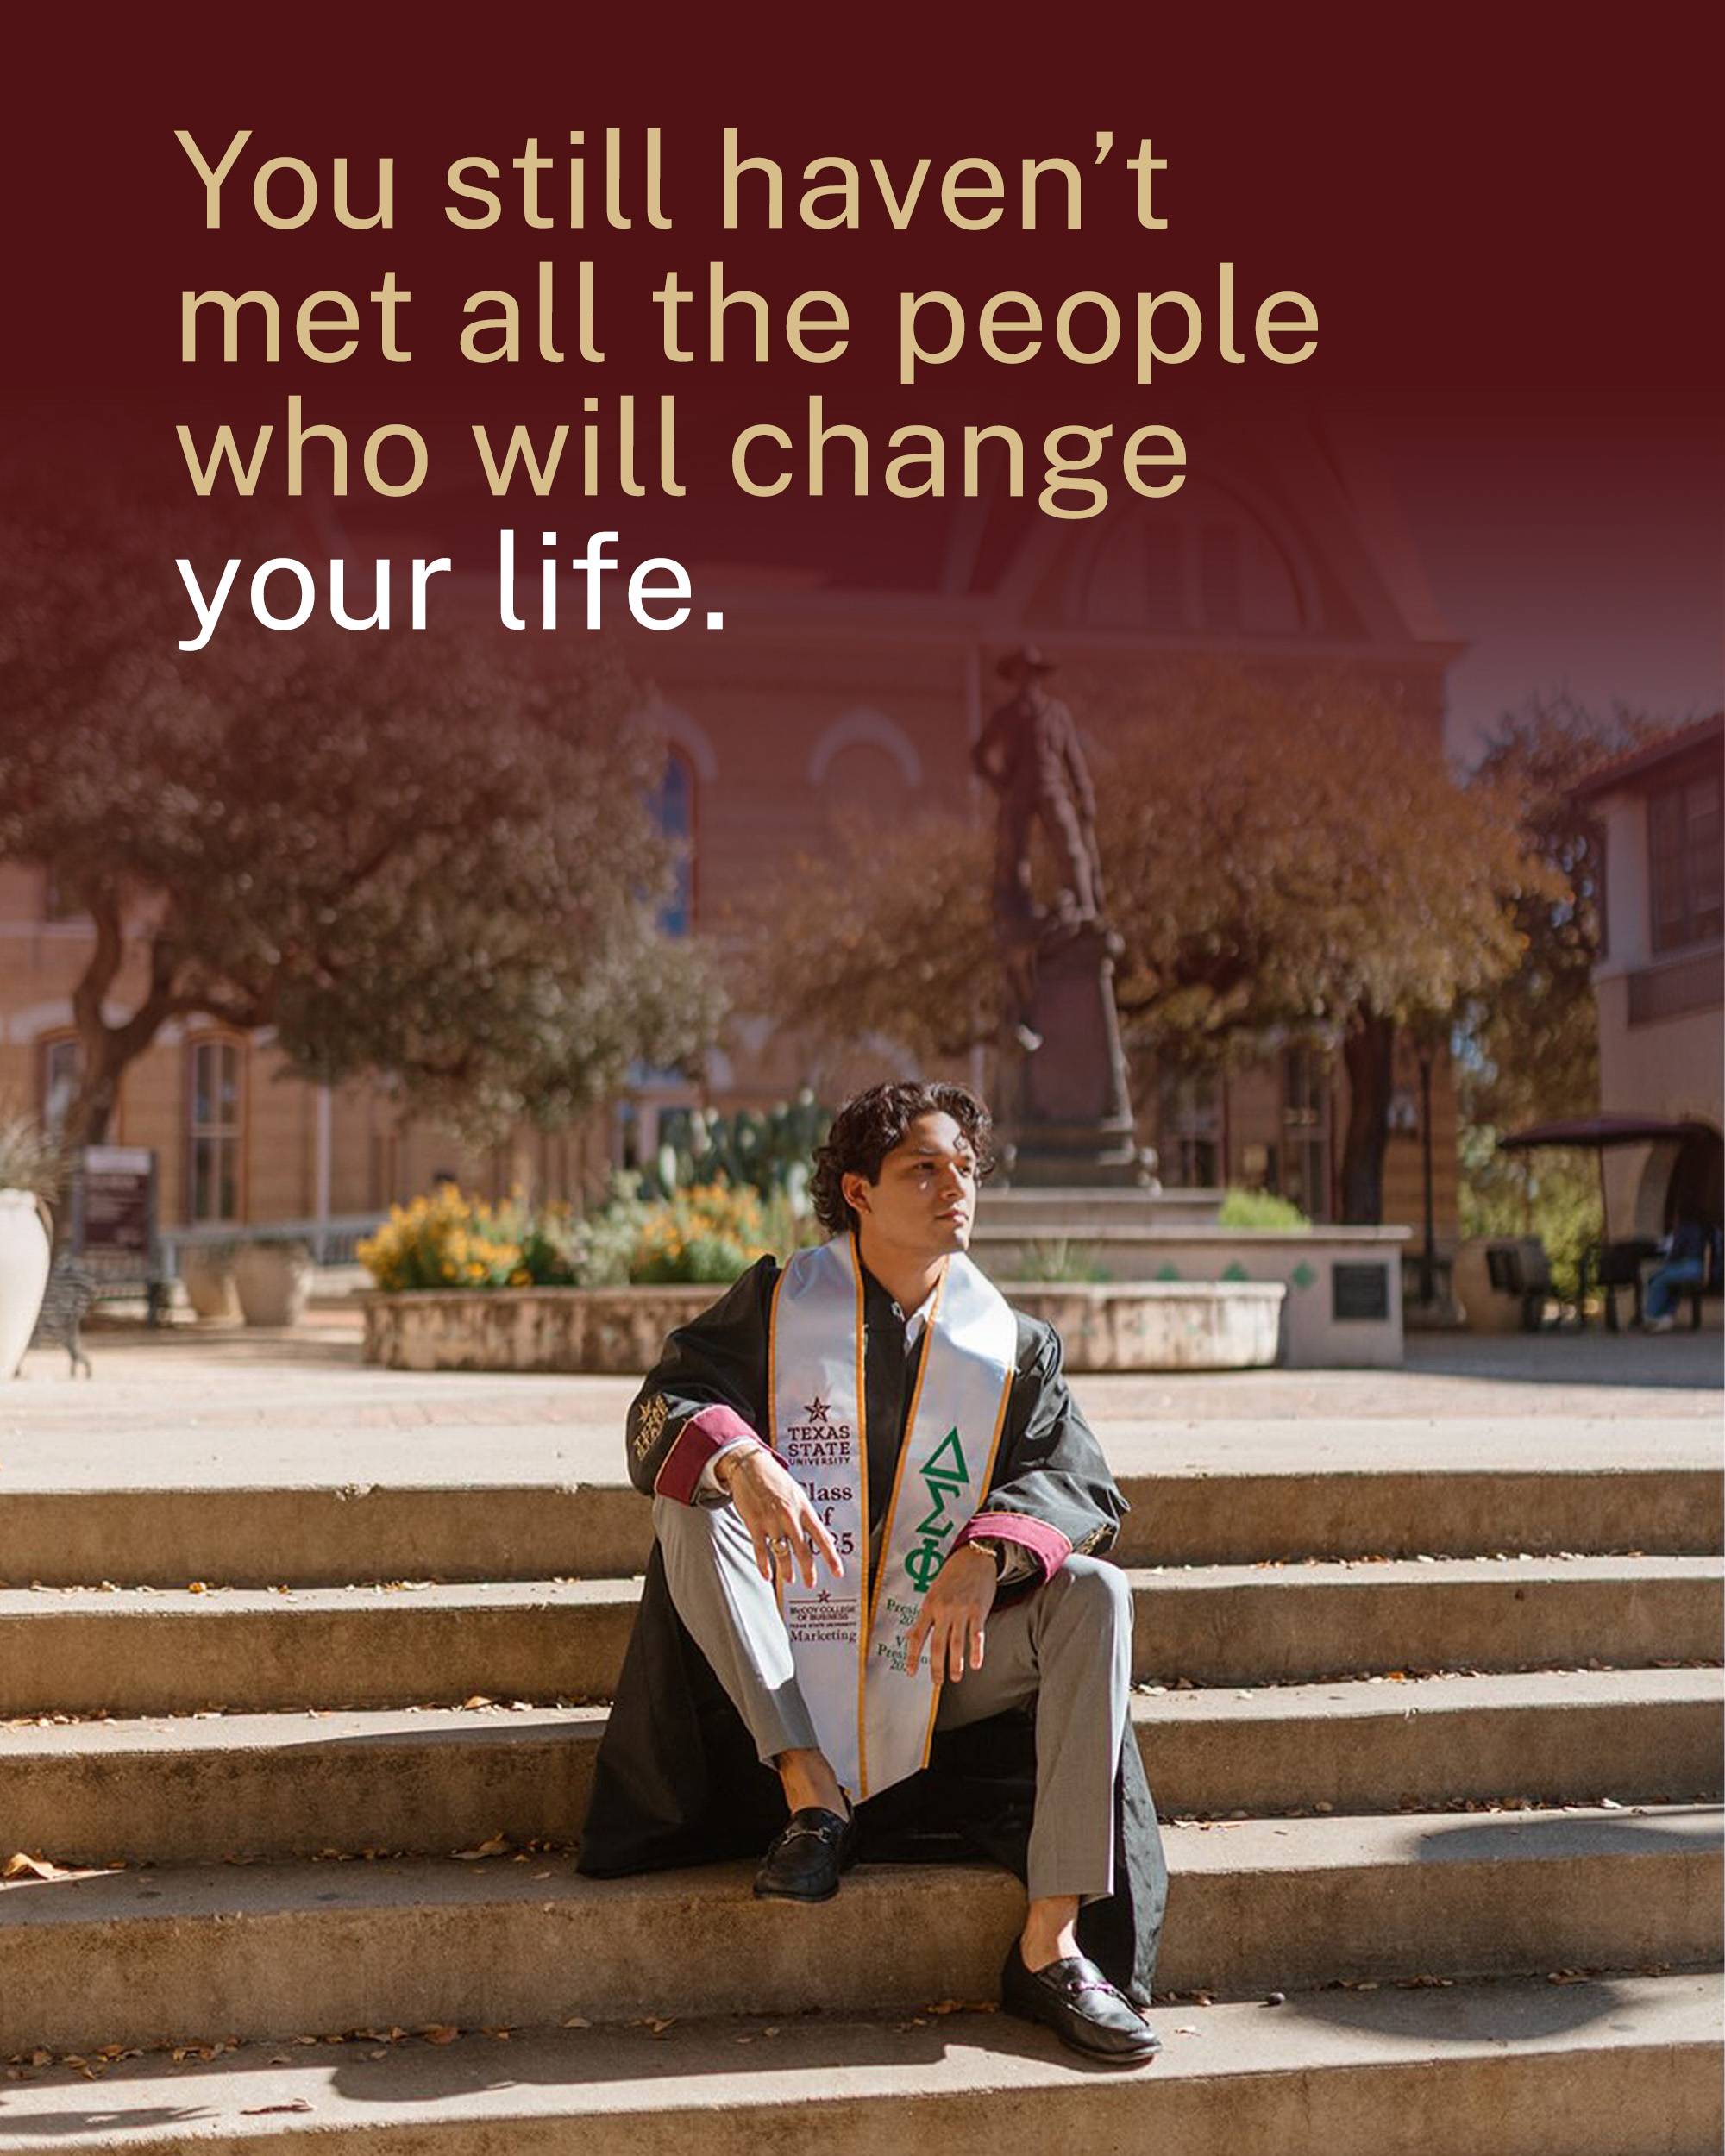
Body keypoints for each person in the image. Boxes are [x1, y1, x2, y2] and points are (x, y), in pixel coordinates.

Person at [579, 1080, 1166, 2064]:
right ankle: (812, 1798)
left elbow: (1083, 1484)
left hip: (940, 1665)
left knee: (1097, 1592)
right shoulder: (774, 1307)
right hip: (783, 1667)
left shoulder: (1010, 1347)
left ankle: (1050, 1939)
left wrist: (991, 1549)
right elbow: (662, 1405)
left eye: (966, 1170)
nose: (954, 1189)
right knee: (688, 1499)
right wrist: (742, 1457)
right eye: (922, 1169)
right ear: (855, 1189)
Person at [1643, 1216, 1716, 1330]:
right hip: (1698, 1268)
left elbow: (1676, 1253)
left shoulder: (1684, 1229)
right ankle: (1667, 1316)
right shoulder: (1707, 1230)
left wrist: (1667, 1256)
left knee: (1658, 1280)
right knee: (1671, 1283)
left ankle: (1652, 1316)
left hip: (1686, 1267)